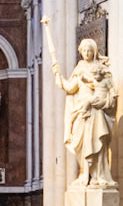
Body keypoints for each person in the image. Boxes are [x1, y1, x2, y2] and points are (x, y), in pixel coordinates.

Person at [46, 29, 117, 187]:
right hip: (80, 110)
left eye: (89, 50)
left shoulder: (102, 70)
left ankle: (99, 175)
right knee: (80, 142)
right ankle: (84, 174)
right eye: (84, 50)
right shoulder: (79, 69)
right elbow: (70, 88)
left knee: (98, 142)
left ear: (94, 51)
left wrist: (103, 100)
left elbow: (110, 91)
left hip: (96, 110)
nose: (86, 53)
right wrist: (58, 76)